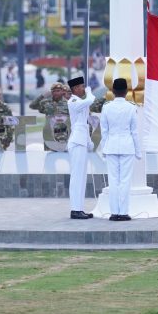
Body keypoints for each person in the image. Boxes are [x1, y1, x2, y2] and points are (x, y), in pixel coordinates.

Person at [100, 78, 141, 221]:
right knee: (125, 180)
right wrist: (138, 151)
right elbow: (134, 132)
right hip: (127, 146)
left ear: (112, 91)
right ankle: (123, 213)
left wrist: (103, 149)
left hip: (110, 146)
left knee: (113, 180)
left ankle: (114, 213)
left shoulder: (106, 107)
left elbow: (104, 131)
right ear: (126, 92)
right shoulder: (131, 107)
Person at [65, 76, 95, 219]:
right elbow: (90, 100)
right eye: (82, 86)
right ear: (75, 89)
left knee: (82, 177)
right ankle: (75, 209)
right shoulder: (73, 101)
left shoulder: (81, 103)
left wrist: (89, 141)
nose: (83, 88)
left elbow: (84, 124)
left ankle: (79, 208)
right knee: (77, 177)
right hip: (76, 142)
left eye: (84, 86)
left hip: (82, 141)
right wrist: (89, 92)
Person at [30, 82, 71, 147]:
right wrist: (42, 96)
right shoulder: (46, 103)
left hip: (65, 136)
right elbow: (32, 106)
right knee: (49, 155)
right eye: (54, 91)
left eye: (58, 91)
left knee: (65, 156)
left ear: (62, 92)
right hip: (49, 136)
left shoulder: (69, 104)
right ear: (51, 92)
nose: (56, 93)